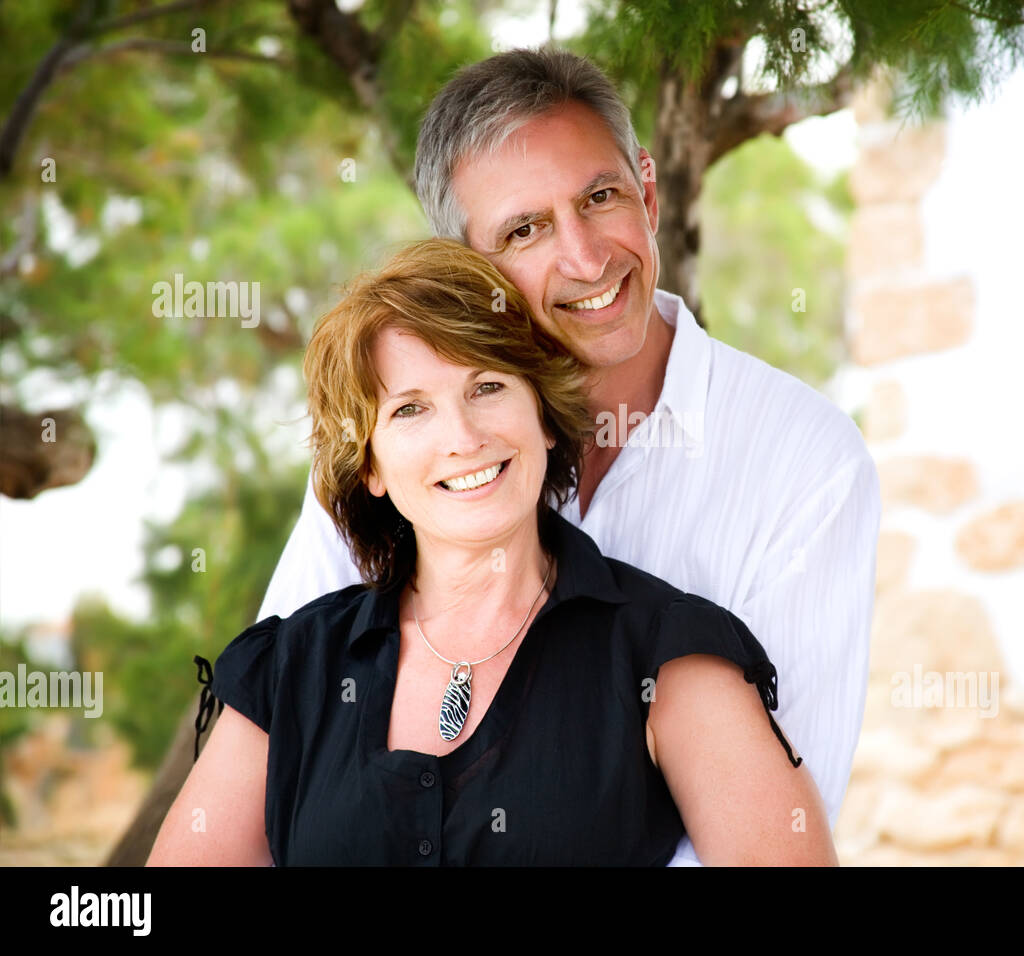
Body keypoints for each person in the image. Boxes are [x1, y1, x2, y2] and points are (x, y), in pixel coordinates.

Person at [251, 47, 880, 866]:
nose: (585, 259)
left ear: (648, 192)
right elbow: (287, 726)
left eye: (601, 197)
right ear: (469, 268)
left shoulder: (807, 461)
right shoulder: (410, 450)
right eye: (526, 229)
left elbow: (774, 835)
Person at [147, 239, 835, 865]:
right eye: (410, 409)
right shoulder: (292, 669)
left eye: (488, 387)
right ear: (371, 467)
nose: (464, 437)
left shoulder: (665, 655)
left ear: (543, 415)